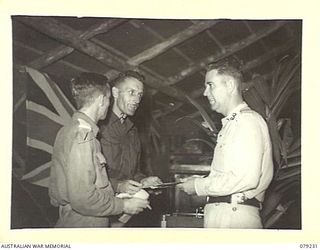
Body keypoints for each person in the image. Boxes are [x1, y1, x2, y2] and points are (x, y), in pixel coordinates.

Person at [178, 60, 273, 228]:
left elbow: (245, 178)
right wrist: (200, 181)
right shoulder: (232, 124)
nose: (206, 93)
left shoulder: (246, 121)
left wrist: (198, 185)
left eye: (211, 85)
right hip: (227, 213)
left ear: (229, 85)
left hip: (234, 217)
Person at [48, 72, 149, 228]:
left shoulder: (71, 130)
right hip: (83, 224)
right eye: (109, 100)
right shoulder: (83, 136)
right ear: (103, 100)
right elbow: (83, 199)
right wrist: (124, 206)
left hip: (92, 219)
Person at [99, 70, 162, 195]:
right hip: (102, 203)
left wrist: (143, 181)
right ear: (115, 92)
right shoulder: (99, 127)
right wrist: (118, 186)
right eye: (131, 93)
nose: (137, 100)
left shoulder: (132, 130)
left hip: (125, 205)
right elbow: (87, 177)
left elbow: (133, 173)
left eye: (139, 95)